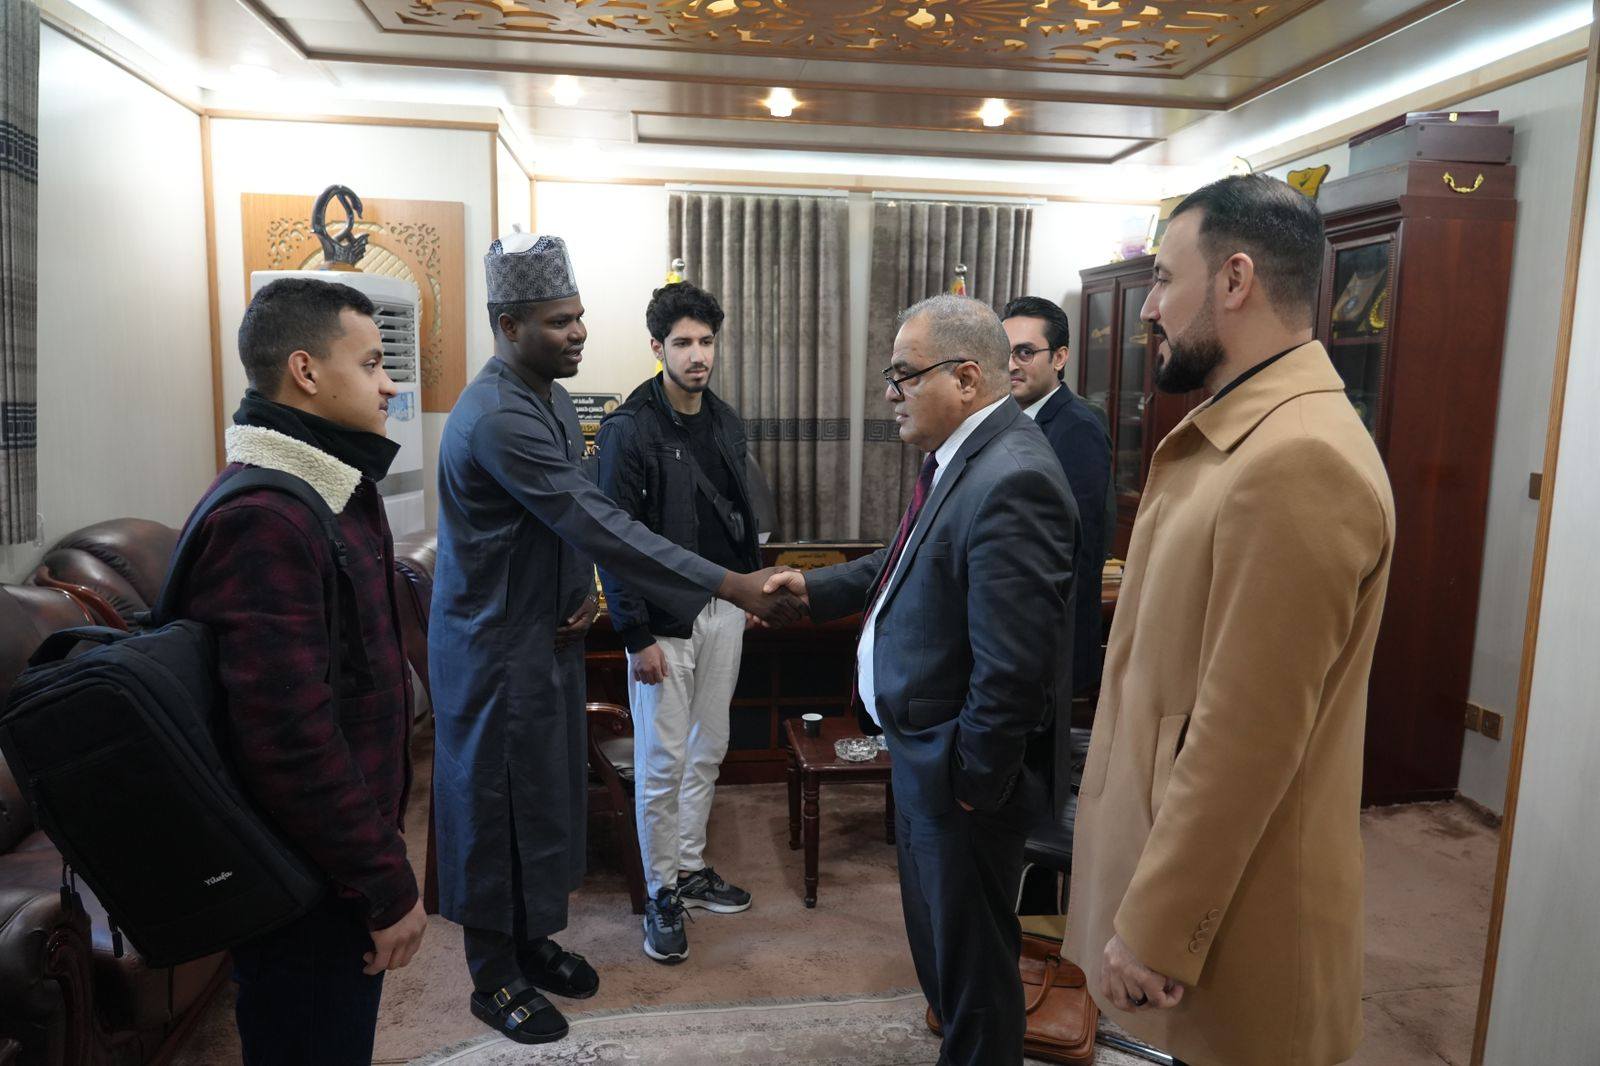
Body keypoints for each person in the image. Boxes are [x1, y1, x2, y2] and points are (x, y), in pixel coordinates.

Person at [429, 234, 801, 1046]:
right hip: (493, 651)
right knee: (493, 807)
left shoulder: (554, 401)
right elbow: (602, 522)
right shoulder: (498, 416)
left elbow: (562, 529)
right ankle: (492, 976)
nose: (580, 333)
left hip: (547, 640)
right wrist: (729, 584)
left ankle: (533, 941)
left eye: (579, 316)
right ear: (508, 325)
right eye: (560, 322)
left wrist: (578, 598)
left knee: (545, 798)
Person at [1064, 175, 1395, 1066]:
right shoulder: (1245, 432)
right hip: (1205, 889)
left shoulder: (1298, 457)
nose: (1151, 309)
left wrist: (1159, 925)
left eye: (1164, 280)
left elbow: (1248, 734)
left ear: (1236, 279)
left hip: (1245, 917)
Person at [766, 294, 1076, 1066]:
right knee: (943, 951)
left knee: (975, 972)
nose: (890, 393)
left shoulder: (1014, 477)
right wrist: (815, 590)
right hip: (924, 754)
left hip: (958, 772)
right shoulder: (965, 457)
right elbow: (906, 558)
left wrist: (971, 781)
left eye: (904, 375)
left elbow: (1013, 669)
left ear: (966, 378)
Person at [175, 277, 428, 1066]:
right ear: (306, 371)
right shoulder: (266, 519)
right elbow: (289, 740)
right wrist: (384, 883)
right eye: (372, 363)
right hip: (305, 877)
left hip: (331, 867)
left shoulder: (329, 492)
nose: (390, 384)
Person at [595, 282, 759, 964]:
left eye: (707, 341)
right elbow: (612, 538)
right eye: (684, 343)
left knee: (708, 748)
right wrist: (634, 635)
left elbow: (742, 513)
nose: (698, 355)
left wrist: (751, 595)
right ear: (657, 347)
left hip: (725, 609)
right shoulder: (629, 428)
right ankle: (661, 892)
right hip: (662, 621)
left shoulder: (724, 419)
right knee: (662, 764)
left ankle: (689, 867)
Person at [1000, 295, 1112, 700]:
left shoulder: (1076, 427)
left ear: (1060, 358)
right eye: (1004, 352)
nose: (1011, 365)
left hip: (1048, 643)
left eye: (1025, 352)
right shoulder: (1010, 419)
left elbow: (1077, 549)